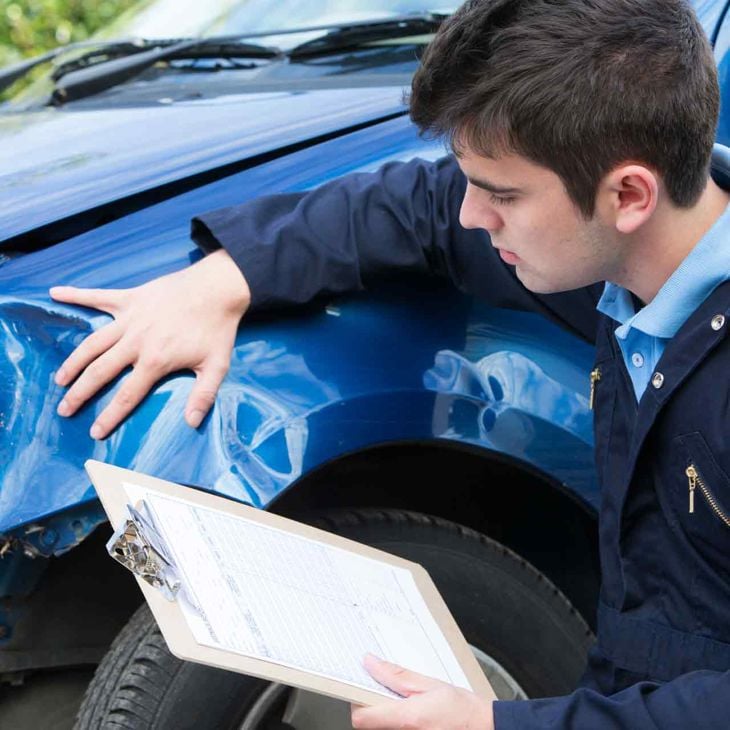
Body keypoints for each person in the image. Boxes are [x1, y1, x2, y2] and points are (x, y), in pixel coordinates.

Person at [50, 0, 730, 727]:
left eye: (501, 195)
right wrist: (226, 279)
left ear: (628, 194)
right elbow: (425, 206)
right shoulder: (620, 256)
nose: (473, 215)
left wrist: (499, 725)